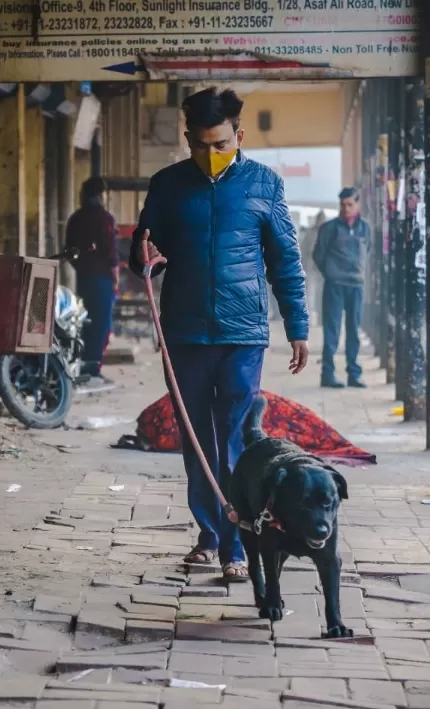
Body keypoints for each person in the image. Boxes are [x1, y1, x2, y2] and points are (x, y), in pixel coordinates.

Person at [130, 86, 309, 581]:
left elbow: (285, 262)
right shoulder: (167, 185)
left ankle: (236, 544)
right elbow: (142, 249)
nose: (210, 155)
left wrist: (298, 327)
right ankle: (209, 534)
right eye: (201, 146)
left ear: (239, 136)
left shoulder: (265, 185)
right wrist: (142, 256)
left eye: (221, 145)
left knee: (233, 438)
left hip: (242, 334)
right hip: (184, 333)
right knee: (196, 438)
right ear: (187, 138)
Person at [313, 187, 370, 389]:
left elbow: (367, 250)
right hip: (335, 286)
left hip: (356, 285)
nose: (346, 209)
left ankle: (354, 374)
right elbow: (318, 255)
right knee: (332, 331)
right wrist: (331, 273)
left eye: (349, 204)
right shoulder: (329, 228)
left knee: (354, 331)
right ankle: (327, 374)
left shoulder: (365, 228)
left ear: (357, 204)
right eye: (342, 205)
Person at [65, 176, 118, 381]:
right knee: (101, 323)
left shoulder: (76, 218)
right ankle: (93, 368)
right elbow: (111, 252)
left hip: (83, 278)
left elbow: (69, 251)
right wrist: (113, 276)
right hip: (102, 279)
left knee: (83, 321)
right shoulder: (105, 219)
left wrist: (82, 267)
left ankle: (83, 364)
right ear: (101, 195)